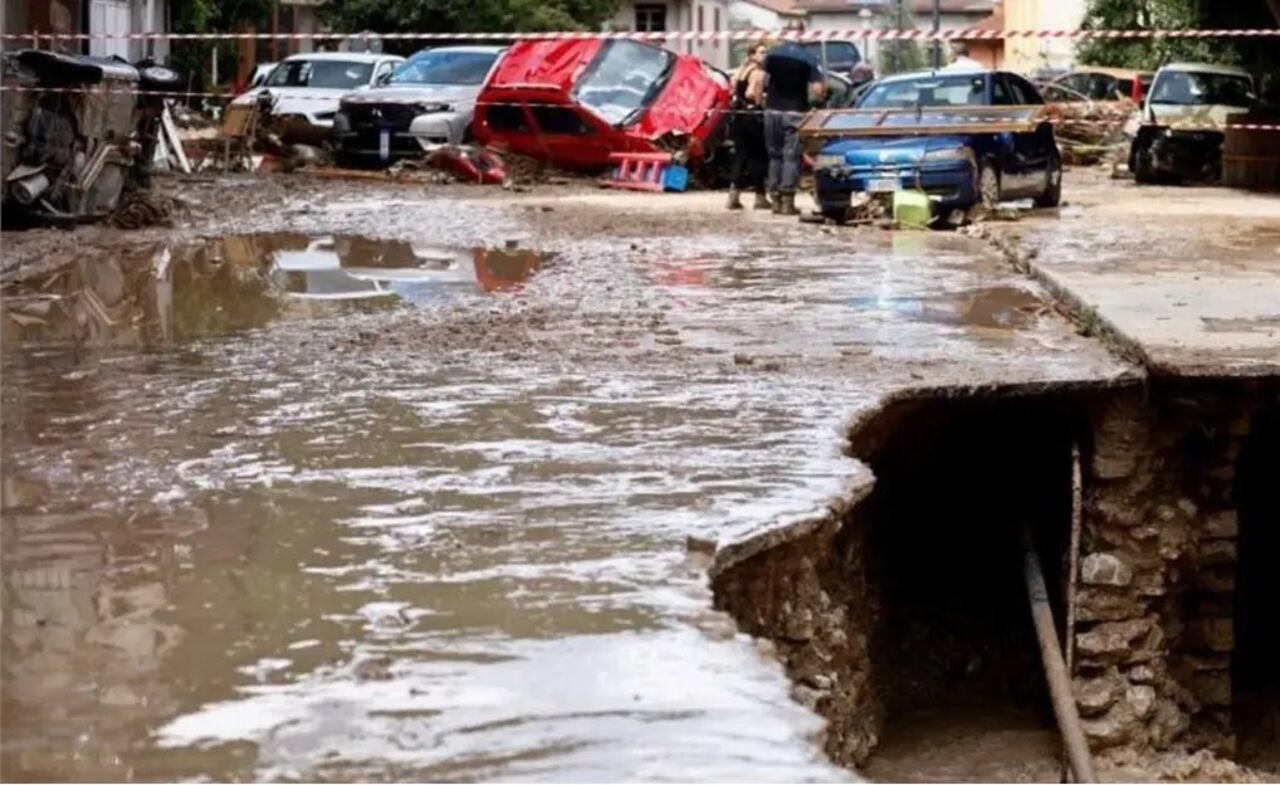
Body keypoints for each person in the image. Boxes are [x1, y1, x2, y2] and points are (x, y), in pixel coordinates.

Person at [763, 35, 826, 216]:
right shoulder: (808, 58)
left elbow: (761, 80)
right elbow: (817, 89)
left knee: (774, 156)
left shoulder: (772, 54)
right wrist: (820, 96)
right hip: (795, 112)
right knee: (790, 156)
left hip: (772, 111)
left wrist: (762, 100)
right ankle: (787, 201)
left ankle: (774, 198)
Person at [727, 43, 769, 211]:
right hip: (752, 118)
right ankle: (760, 196)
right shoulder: (757, 73)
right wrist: (760, 102)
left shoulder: (741, 70)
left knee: (740, 156)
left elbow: (733, 89)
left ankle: (734, 195)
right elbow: (751, 93)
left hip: (739, 117)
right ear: (753, 54)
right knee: (758, 157)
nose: (765, 55)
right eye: (762, 52)